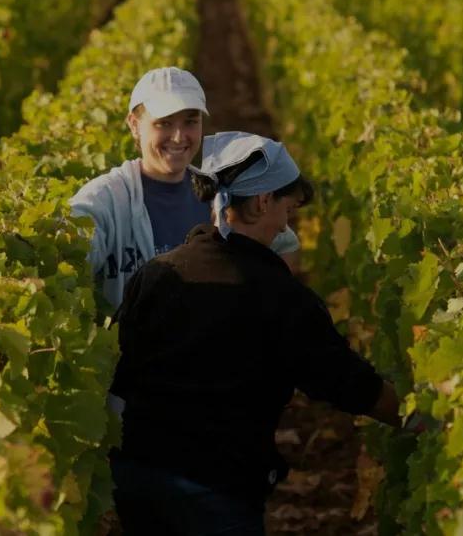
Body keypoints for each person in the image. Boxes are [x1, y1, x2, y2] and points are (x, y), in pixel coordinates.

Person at [109, 132, 402, 535]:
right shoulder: (280, 296)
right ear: (263, 201)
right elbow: (345, 382)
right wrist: (416, 415)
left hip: (137, 481)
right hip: (215, 491)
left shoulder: (158, 273)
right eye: (287, 208)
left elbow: (119, 371)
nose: (287, 223)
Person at [70, 67, 300, 316]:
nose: (179, 137)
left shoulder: (220, 193)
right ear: (134, 125)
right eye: (164, 124)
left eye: (190, 122)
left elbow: (283, 244)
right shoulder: (109, 199)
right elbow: (73, 244)